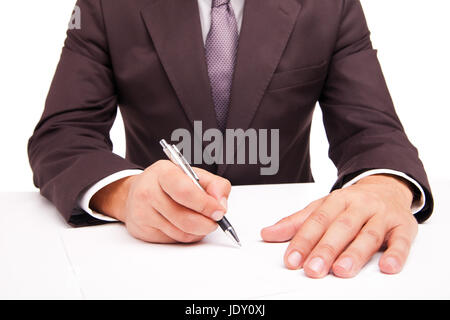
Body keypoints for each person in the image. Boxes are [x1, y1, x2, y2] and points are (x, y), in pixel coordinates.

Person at [28, 0, 433, 279]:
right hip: (149, 259)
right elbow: (63, 134)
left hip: (281, 248)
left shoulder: (330, 4)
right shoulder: (105, 5)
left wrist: (384, 189)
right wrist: (125, 194)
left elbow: (374, 130)